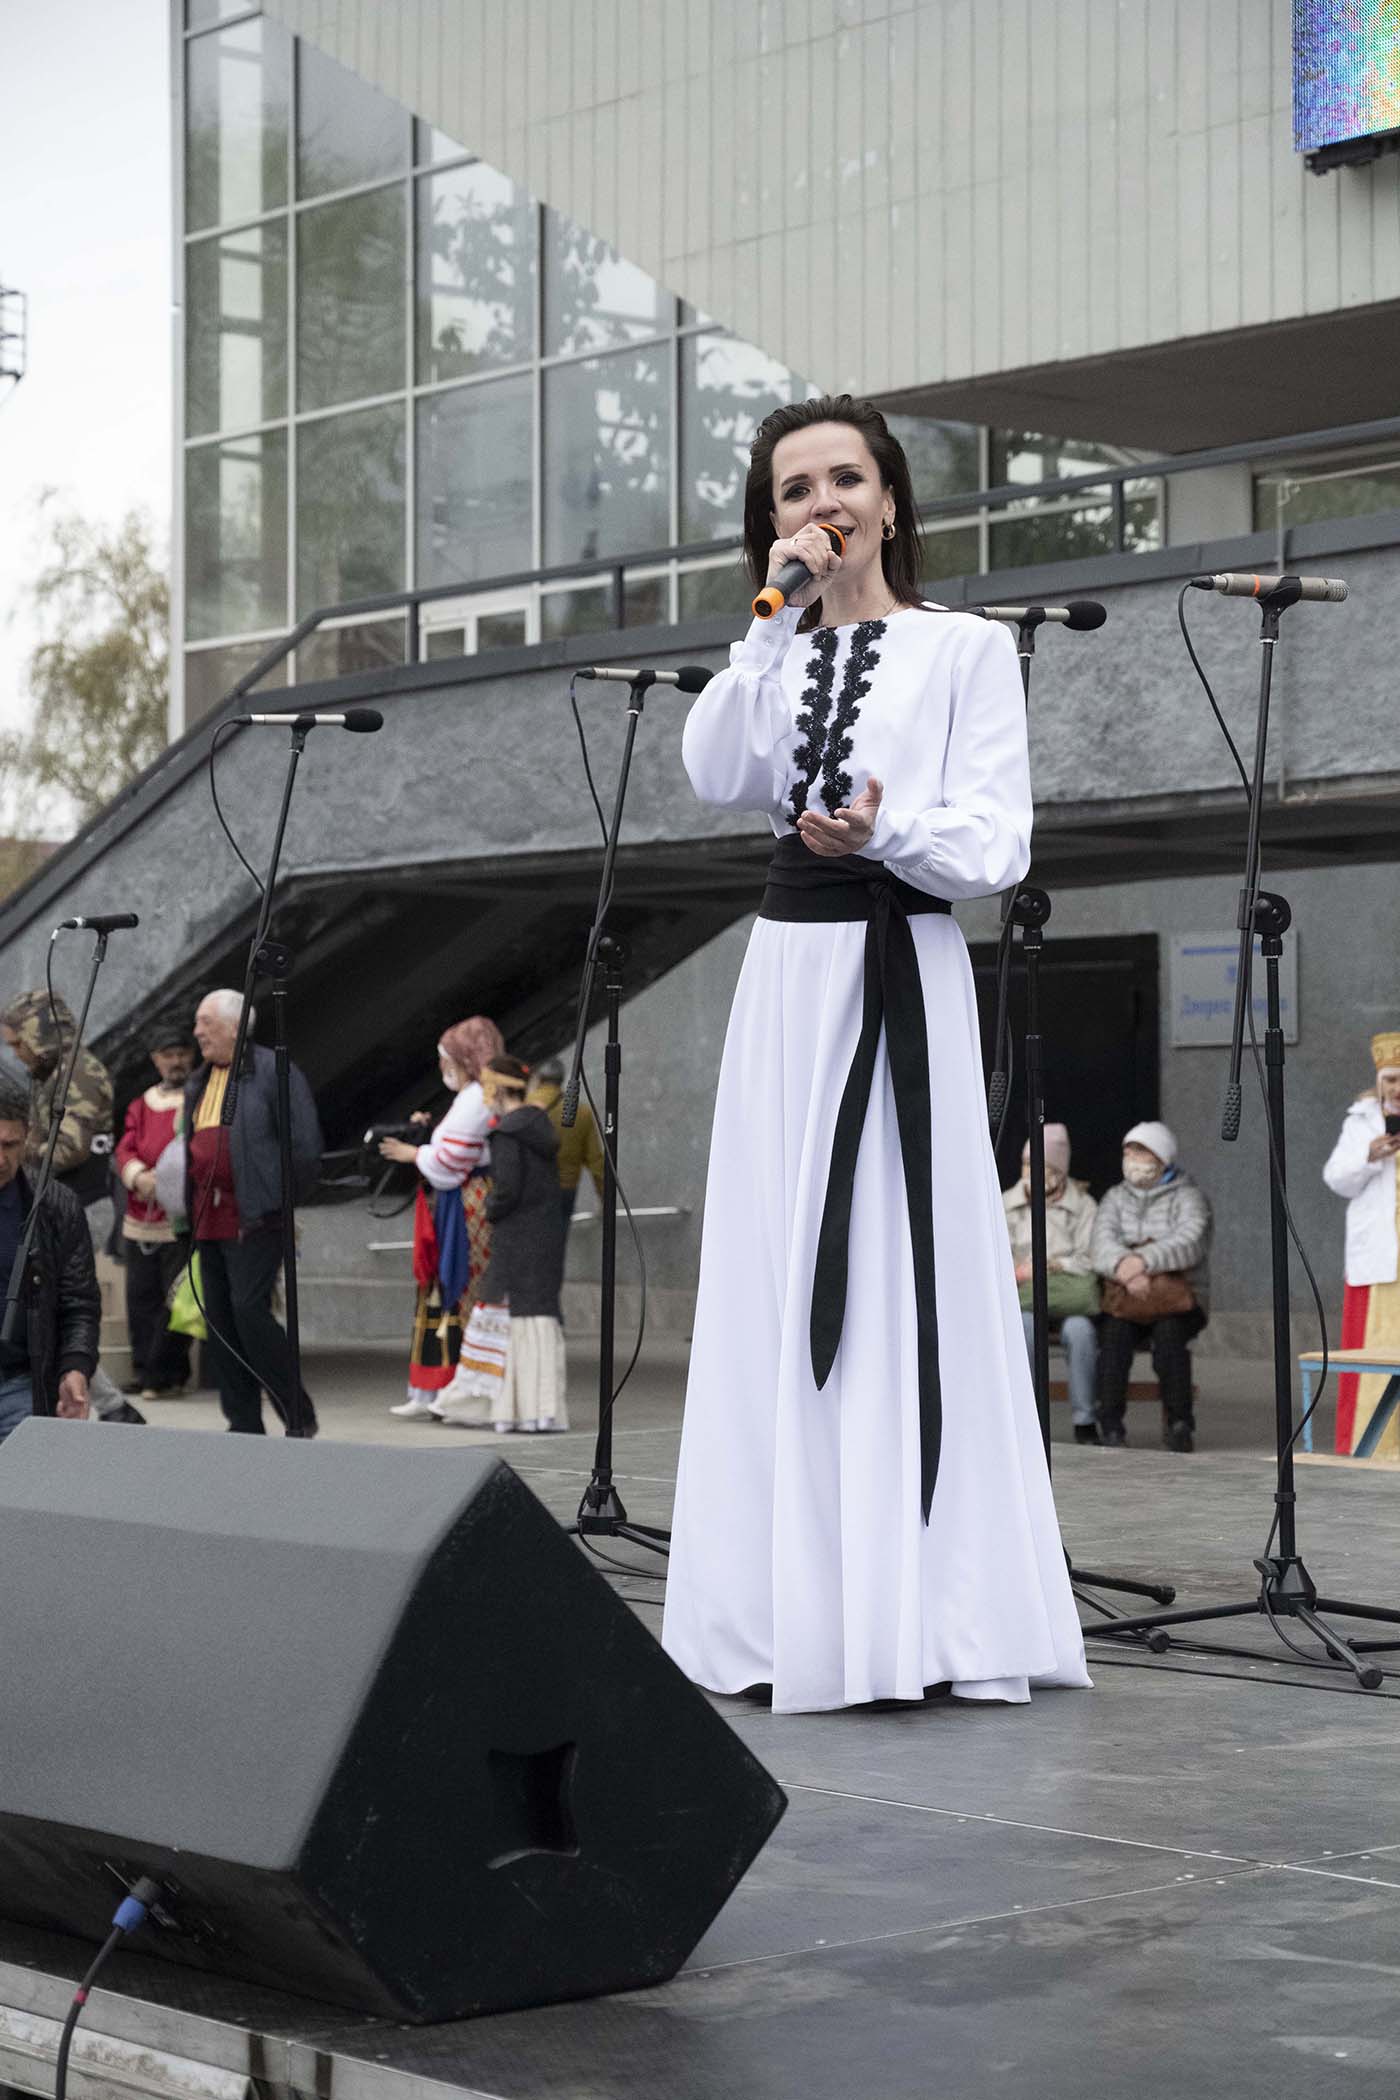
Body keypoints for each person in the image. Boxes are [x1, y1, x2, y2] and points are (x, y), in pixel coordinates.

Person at [659, 393, 1089, 1714]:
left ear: (890, 502)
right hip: (787, 980)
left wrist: (887, 835)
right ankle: (784, 1614)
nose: (822, 505)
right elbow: (714, 772)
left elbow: (995, 843)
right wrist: (764, 623)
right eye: (794, 490)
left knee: (905, 1267)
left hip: (899, 966)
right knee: (777, 1270)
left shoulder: (962, 647)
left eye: (844, 480)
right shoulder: (774, 651)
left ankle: (921, 1619)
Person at [184, 988, 323, 1435]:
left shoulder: (272, 1070)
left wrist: (278, 1200)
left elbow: (304, 1146)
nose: (197, 1031)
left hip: (256, 1216)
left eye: (206, 1022)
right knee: (221, 1324)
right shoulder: (199, 1080)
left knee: (249, 1311)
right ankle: (243, 1425)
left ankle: (297, 1414)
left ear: (234, 1026)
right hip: (209, 1218)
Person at [0, 986, 136, 1423]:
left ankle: (111, 1406)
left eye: (19, 1043)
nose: (17, 1054)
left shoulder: (76, 1074)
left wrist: (28, 1151)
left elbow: (69, 1147)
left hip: (78, 1200)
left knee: (55, 1305)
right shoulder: (51, 1075)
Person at [437, 1057, 569, 1434]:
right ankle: (539, 1409)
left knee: (509, 1314)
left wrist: (489, 1210)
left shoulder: (508, 1134)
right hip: (544, 1235)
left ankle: (505, 1408)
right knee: (536, 1315)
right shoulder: (540, 1125)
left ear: (498, 1089)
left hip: (515, 1239)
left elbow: (507, 1190)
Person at [379, 1016, 502, 1420]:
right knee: (440, 1290)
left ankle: (452, 1390)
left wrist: (414, 1153)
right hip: (455, 1204)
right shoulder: (471, 1096)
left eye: (446, 1058)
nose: (442, 1066)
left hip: (465, 1207)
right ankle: (432, 1387)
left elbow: (453, 1159)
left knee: (458, 1290)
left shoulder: (477, 1098)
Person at [1091, 1121, 1212, 1453]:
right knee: (1114, 1339)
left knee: (1170, 1338)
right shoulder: (1114, 1197)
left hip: (1179, 1299)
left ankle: (1179, 1424)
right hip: (1125, 1297)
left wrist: (1142, 1262)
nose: (1132, 1158)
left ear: (1162, 1157)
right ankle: (1110, 1426)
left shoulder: (1189, 1196)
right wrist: (1126, 1270)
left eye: (1141, 1151)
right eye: (1128, 1151)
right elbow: (1100, 1242)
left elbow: (1191, 1240)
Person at [0, 1073, 99, 1440]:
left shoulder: (55, 1205)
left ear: (27, 1136)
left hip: (21, 1384)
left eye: (10, 1145)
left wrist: (75, 1367)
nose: (0, 1159)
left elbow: (79, 1301)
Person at [1323, 1032, 1400, 1456]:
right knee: (1374, 1352)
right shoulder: (1360, 1122)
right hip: (1378, 1255)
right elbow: (1336, 1179)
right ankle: (1372, 1445)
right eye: (1390, 1079)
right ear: (1379, 1080)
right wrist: (1369, 1158)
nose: (1397, 1089)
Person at [1001, 1123, 1100, 1445]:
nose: (1030, 1171)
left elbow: (1090, 1258)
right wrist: (1019, 1271)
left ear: (1059, 1170)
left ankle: (1085, 1420)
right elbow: (993, 1256)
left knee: (1080, 1332)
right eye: (1026, 1164)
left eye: (1040, 1165)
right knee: (1024, 1329)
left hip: (1068, 1295)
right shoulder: (1005, 1203)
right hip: (1025, 1295)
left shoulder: (1083, 1205)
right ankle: (1025, 1420)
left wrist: (1051, 1265)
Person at [115, 1018, 196, 1399]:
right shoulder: (141, 1104)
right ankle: (144, 1368)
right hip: (141, 1215)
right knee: (141, 1297)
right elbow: (126, 1147)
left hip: (178, 1217)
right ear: (155, 1060)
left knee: (174, 1299)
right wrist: (139, 1176)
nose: (175, 1062)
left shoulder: (198, 1098)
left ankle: (165, 1374)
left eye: (182, 1054)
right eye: (168, 1055)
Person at [526, 1057, 605, 1228]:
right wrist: (603, 1196)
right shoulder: (582, 1112)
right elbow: (596, 1161)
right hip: (565, 1189)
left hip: (529, 1188)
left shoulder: (523, 1107)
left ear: (537, 1078)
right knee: (557, 1240)